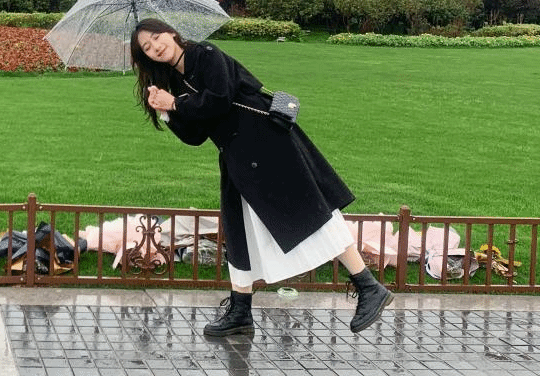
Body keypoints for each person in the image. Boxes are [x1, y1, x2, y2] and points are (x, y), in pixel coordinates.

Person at [130, 18, 393, 337]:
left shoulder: (206, 54)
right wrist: (167, 112)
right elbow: (196, 135)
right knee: (239, 228)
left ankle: (368, 286)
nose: (155, 47)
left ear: (172, 32)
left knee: (311, 213)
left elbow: (219, 99)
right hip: (237, 154)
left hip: (267, 144)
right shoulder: (176, 80)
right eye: (147, 48)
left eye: (157, 37)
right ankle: (240, 310)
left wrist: (175, 102)